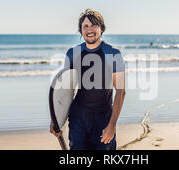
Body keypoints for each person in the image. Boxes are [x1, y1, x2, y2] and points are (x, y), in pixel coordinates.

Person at [50, 8, 126, 150]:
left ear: (101, 28)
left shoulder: (113, 53)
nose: (89, 29)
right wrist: (56, 120)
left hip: (104, 118)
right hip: (78, 118)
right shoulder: (73, 53)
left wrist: (112, 125)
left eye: (94, 25)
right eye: (85, 26)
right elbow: (66, 91)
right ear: (81, 30)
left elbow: (121, 91)